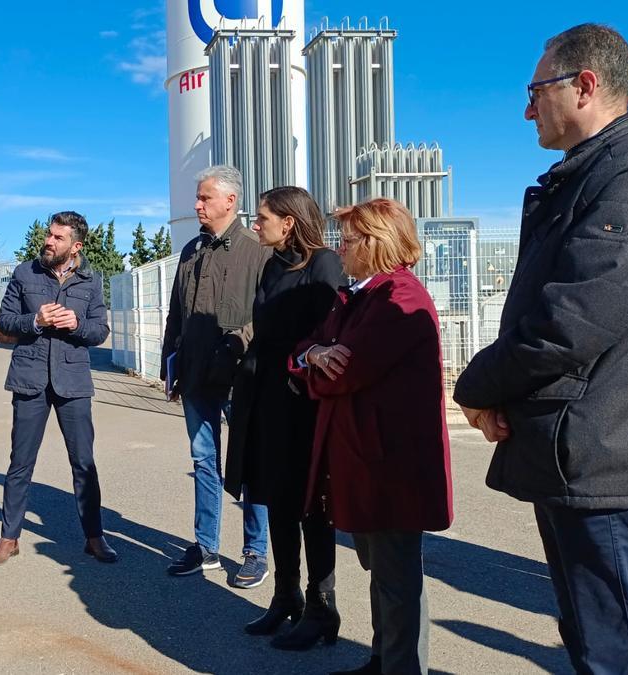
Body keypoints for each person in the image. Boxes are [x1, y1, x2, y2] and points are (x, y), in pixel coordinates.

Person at [453, 24, 628, 674]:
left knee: (627, 653)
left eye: (535, 90)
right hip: (581, 449)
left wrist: (476, 385)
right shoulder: (595, 176)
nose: (526, 108)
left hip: (607, 455)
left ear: (586, 86)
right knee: (599, 643)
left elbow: (570, 320)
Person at [290, 198, 453, 675]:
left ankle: (401, 668)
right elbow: (307, 350)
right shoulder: (360, 295)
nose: (340, 249)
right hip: (365, 461)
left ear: (377, 242)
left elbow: (345, 371)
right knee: (381, 575)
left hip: (393, 467)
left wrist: (315, 362)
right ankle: (384, 661)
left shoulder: (399, 297)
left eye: (349, 239)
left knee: (398, 581)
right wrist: (314, 354)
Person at [225, 186, 344, 648]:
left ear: (288, 222)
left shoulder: (325, 265)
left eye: (262, 218)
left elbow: (328, 334)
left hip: (303, 405)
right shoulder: (272, 265)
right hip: (265, 401)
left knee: (311, 506)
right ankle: (285, 597)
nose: (256, 224)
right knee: (275, 500)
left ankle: (321, 608)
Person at [0, 211, 116, 566]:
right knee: (20, 463)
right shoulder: (25, 273)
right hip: (30, 378)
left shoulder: (90, 279)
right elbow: (6, 321)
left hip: (72, 382)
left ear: (75, 246)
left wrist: (75, 324)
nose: (48, 241)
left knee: (83, 463)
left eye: (57, 238)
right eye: (48, 235)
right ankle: (8, 538)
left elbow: (99, 331)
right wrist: (35, 320)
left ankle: (94, 537)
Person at [160, 165, 271, 585]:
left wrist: (238, 343)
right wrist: (168, 363)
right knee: (204, 461)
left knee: (249, 464)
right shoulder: (191, 251)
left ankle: (255, 552)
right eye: (198, 197)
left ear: (231, 201)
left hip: (241, 377)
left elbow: (267, 312)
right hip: (194, 377)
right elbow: (177, 314)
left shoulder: (257, 249)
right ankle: (206, 546)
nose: (197, 204)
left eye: (205, 197)